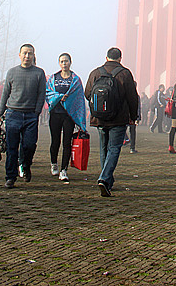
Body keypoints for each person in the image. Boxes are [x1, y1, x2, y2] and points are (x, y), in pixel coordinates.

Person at [84, 47, 138, 197]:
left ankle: (107, 179)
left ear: (106, 57)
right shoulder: (125, 74)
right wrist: (133, 116)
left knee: (104, 149)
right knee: (114, 148)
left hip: (99, 118)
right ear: (120, 58)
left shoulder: (96, 72)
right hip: (119, 119)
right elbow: (132, 97)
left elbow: (87, 93)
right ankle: (104, 178)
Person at [0, 44, 46, 188]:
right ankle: (10, 177)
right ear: (19, 55)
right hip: (13, 113)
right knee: (12, 147)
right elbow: (5, 94)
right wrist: (0, 114)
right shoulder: (12, 72)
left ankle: (26, 165)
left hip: (31, 115)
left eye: (30, 53)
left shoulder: (39, 73)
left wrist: (37, 111)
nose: (27, 56)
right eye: (24, 53)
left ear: (33, 55)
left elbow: (41, 94)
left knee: (29, 145)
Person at [45, 53, 87, 181]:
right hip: (55, 114)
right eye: (62, 61)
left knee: (67, 143)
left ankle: (64, 170)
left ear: (70, 62)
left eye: (66, 61)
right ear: (59, 63)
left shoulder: (75, 79)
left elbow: (79, 97)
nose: (64, 64)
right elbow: (48, 93)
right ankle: (54, 164)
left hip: (68, 116)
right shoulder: (53, 78)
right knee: (55, 141)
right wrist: (59, 97)